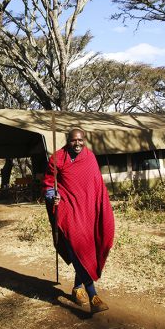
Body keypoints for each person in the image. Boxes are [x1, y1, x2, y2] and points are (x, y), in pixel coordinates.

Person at [43, 127, 114, 313]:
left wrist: (99, 208)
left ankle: (76, 288)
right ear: (68, 141)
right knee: (75, 248)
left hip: (88, 209)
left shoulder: (90, 157)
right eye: (74, 140)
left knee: (85, 250)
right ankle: (93, 296)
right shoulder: (57, 158)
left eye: (81, 140)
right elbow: (49, 183)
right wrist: (53, 196)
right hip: (68, 210)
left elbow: (96, 184)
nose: (78, 143)